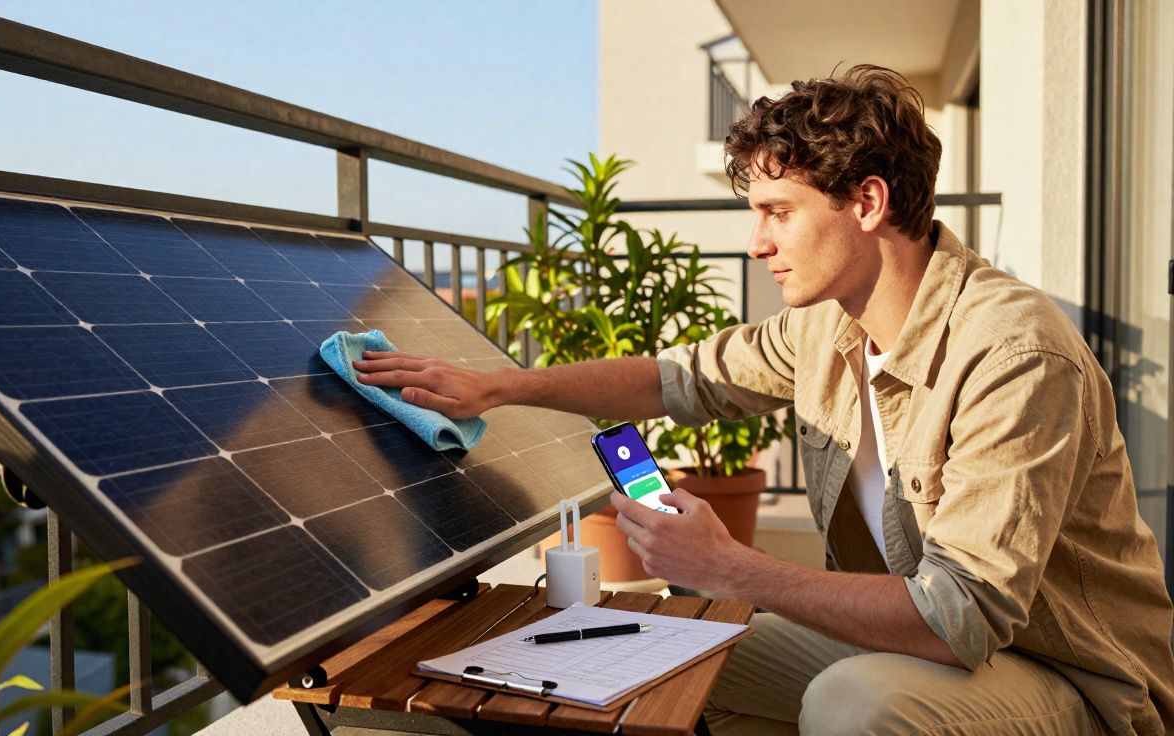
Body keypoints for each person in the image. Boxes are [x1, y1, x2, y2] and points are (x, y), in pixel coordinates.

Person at [354, 65, 1174, 734]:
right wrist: (504, 384)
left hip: (1075, 685)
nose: (758, 243)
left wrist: (729, 567)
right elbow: (676, 378)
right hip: (936, 650)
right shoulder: (829, 326)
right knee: (667, 654)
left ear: (868, 203)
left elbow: (952, 618)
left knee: (856, 707)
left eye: (777, 213)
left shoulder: (1013, 354)